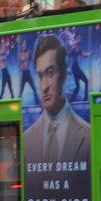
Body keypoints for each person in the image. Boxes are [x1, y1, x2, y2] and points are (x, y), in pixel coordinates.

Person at [23, 33, 91, 164]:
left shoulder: (88, 135)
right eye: (40, 75)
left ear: (64, 74)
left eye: (50, 73)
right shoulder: (26, 139)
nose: (44, 87)